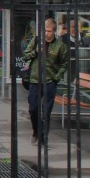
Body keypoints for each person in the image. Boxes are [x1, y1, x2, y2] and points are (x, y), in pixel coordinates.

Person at [24, 16, 68, 146]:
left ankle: (44, 138)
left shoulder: (60, 46)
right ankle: (36, 131)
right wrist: (35, 52)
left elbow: (64, 64)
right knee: (33, 108)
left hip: (49, 81)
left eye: (49, 31)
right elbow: (26, 54)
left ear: (54, 31)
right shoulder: (36, 41)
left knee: (46, 111)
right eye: (44, 30)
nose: (46, 33)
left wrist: (56, 77)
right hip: (35, 80)